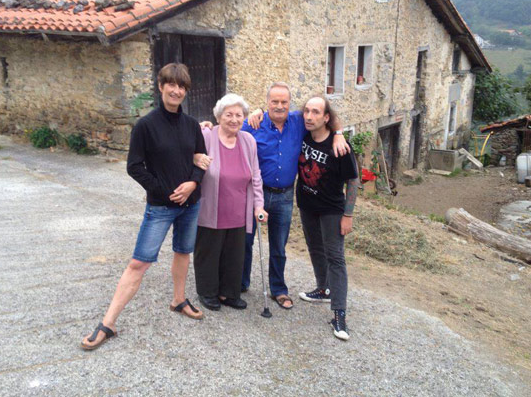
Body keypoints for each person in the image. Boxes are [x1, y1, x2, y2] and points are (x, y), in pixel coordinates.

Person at [80, 63, 207, 351]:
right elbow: (134, 167)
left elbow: (202, 160)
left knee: (183, 252)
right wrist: (167, 192)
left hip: (191, 205)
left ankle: (178, 299)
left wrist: (193, 184)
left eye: (182, 86)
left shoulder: (191, 125)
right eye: (171, 85)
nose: (176, 90)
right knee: (140, 262)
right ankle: (108, 323)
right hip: (161, 208)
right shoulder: (146, 126)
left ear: (185, 91)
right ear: (161, 86)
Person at [240, 83, 349, 310]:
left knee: (279, 246)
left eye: (284, 102)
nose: (279, 106)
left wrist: (338, 134)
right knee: (246, 242)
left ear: (290, 104)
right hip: (256, 195)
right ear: (267, 102)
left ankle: (278, 289)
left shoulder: (299, 120)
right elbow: (227, 131)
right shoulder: (253, 124)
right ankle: (240, 284)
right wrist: (206, 127)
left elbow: (330, 116)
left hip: (284, 196)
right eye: (274, 102)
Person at [193, 94, 267, 312]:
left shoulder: (248, 141)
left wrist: (259, 205)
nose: (234, 119)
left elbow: (255, 176)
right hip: (211, 208)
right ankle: (207, 292)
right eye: (229, 115)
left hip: (238, 210)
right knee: (209, 251)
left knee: (234, 254)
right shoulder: (206, 135)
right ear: (218, 116)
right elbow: (186, 148)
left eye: (239, 115)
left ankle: (229, 292)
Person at [296, 95, 358, 341]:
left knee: (335, 258)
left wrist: (348, 214)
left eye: (315, 112)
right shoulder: (302, 133)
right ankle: (323, 288)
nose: (309, 117)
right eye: (307, 111)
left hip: (332, 210)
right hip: (307, 205)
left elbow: (353, 180)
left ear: (326, 117)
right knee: (314, 248)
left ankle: (339, 314)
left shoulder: (340, 146)